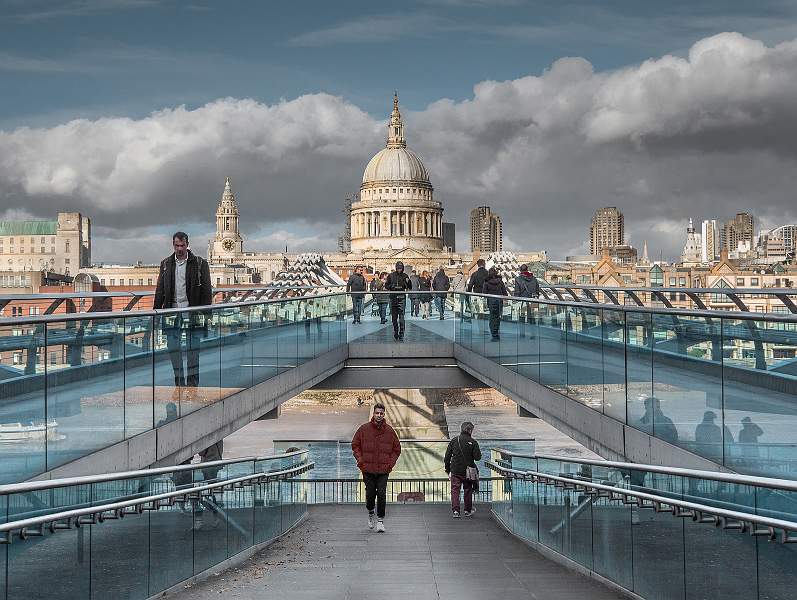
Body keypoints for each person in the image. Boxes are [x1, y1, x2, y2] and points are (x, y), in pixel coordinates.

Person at [154, 232, 213, 387]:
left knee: (193, 351)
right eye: (176, 245)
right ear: (173, 245)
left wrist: (207, 316)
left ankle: (193, 385)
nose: (179, 249)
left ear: (187, 245)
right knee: (174, 351)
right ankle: (179, 383)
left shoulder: (200, 263)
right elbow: (160, 290)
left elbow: (207, 291)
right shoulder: (166, 264)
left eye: (182, 245)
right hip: (171, 313)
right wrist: (155, 313)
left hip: (192, 312)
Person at [351, 403, 401, 533]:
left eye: (381, 413)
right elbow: (355, 444)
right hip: (367, 468)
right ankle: (370, 511)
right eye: (377, 413)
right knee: (370, 494)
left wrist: (390, 464)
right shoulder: (363, 429)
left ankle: (380, 521)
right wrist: (360, 460)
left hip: (384, 469)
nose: (379, 415)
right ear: (373, 414)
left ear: (384, 414)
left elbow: (397, 449)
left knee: (382, 493)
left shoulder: (390, 431)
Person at [445, 422, 482, 518]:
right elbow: (478, 458)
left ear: (461, 429)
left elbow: (447, 457)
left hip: (455, 470)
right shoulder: (473, 442)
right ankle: (467, 511)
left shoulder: (454, 440)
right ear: (470, 430)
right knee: (468, 490)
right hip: (468, 472)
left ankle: (456, 511)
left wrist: (448, 470)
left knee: (455, 491)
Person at [385, 261, 412, 340]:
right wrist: (391, 286)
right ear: (396, 268)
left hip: (401, 298)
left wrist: (408, 282)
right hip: (393, 298)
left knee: (401, 317)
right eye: (398, 268)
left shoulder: (405, 276)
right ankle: (396, 331)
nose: (399, 270)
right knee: (394, 318)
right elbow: (386, 285)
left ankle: (401, 332)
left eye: (401, 268)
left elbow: (410, 287)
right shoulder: (391, 276)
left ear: (403, 268)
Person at [514, 264, 540, 337]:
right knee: (532, 317)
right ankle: (533, 334)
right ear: (527, 269)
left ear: (520, 270)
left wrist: (515, 301)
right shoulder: (534, 279)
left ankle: (522, 334)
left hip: (522, 301)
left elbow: (516, 292)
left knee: (522, 317)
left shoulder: (518, 279)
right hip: (532, 301)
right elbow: (537, 291)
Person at [482, 267, 507, 340]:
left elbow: (484, 293)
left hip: (491, 302)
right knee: (498, 317)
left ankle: (494, 333)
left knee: (492, 317)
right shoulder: (500, 281)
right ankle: (496, 332)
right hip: (499, 302)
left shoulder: (486, 282)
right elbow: (504, 292)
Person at [466, 259, 489, 323]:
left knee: (477, 310)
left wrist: (468, 294)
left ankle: (478, 323)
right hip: (486, 295)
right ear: (484, 264)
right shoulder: (488, 273)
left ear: (477, 265)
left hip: (477, 294)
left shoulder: (474, 274)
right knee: (484, 310)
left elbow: (470, 285)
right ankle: (482, 323)